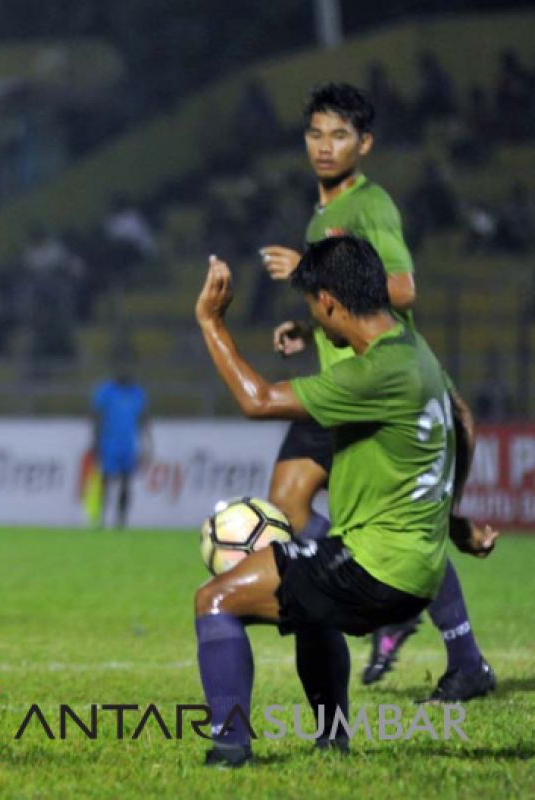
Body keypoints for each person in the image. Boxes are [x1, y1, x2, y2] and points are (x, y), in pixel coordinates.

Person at [193, 239, 498, 767]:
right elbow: (463, 419)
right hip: (416, 569)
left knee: (215, 600)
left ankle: (229, 748)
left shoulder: (371, 374)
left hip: (376, 570)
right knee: (311, 603)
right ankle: (332, 739)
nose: (313, 316)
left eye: (312, 304)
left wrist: (212, 323)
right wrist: (454, 520)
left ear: (329, 302)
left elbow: (257, 399)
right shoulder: (413, 350)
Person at [258, 83, 495, 700]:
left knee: (391, 522)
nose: (325, 146)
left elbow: (404, 289)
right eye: (316, 133)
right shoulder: (321, 213)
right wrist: (308, 324)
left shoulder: (372, 207)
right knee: (286, 504)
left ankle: (446, 641)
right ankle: (377, 589)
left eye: (340, 135)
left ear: (364, 143)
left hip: (377, 392)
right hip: (341, 386)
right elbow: (348, 304)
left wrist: (303, 271)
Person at [90, 354, 150, 530]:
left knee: (126, 482)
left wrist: (147, 444)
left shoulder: (137, 393)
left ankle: (120, 521)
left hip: (128, 444)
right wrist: (95, 442)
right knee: (106, 481)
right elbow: (96, 417)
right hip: (109, 443)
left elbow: (143, 420)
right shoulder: (106, 392)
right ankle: (101, 518)